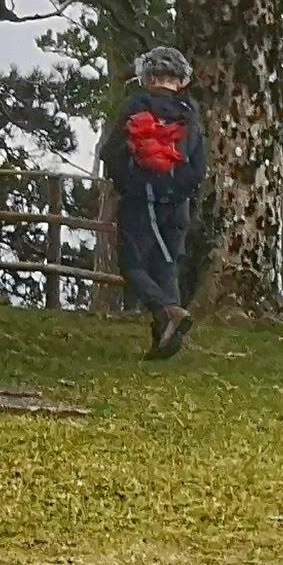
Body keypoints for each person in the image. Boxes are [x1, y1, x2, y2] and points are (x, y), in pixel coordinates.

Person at [104, 47, 208, 358]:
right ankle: (165, 340)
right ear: (181, 78)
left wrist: (128, 185)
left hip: (140, 197)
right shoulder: (190, 113)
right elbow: (199, 166)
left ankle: (167, 313)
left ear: (148, 76)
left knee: (132, 263)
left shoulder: (135, 105)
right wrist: (182, 191)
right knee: (167, 266)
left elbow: (112, 152)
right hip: (177, 201)